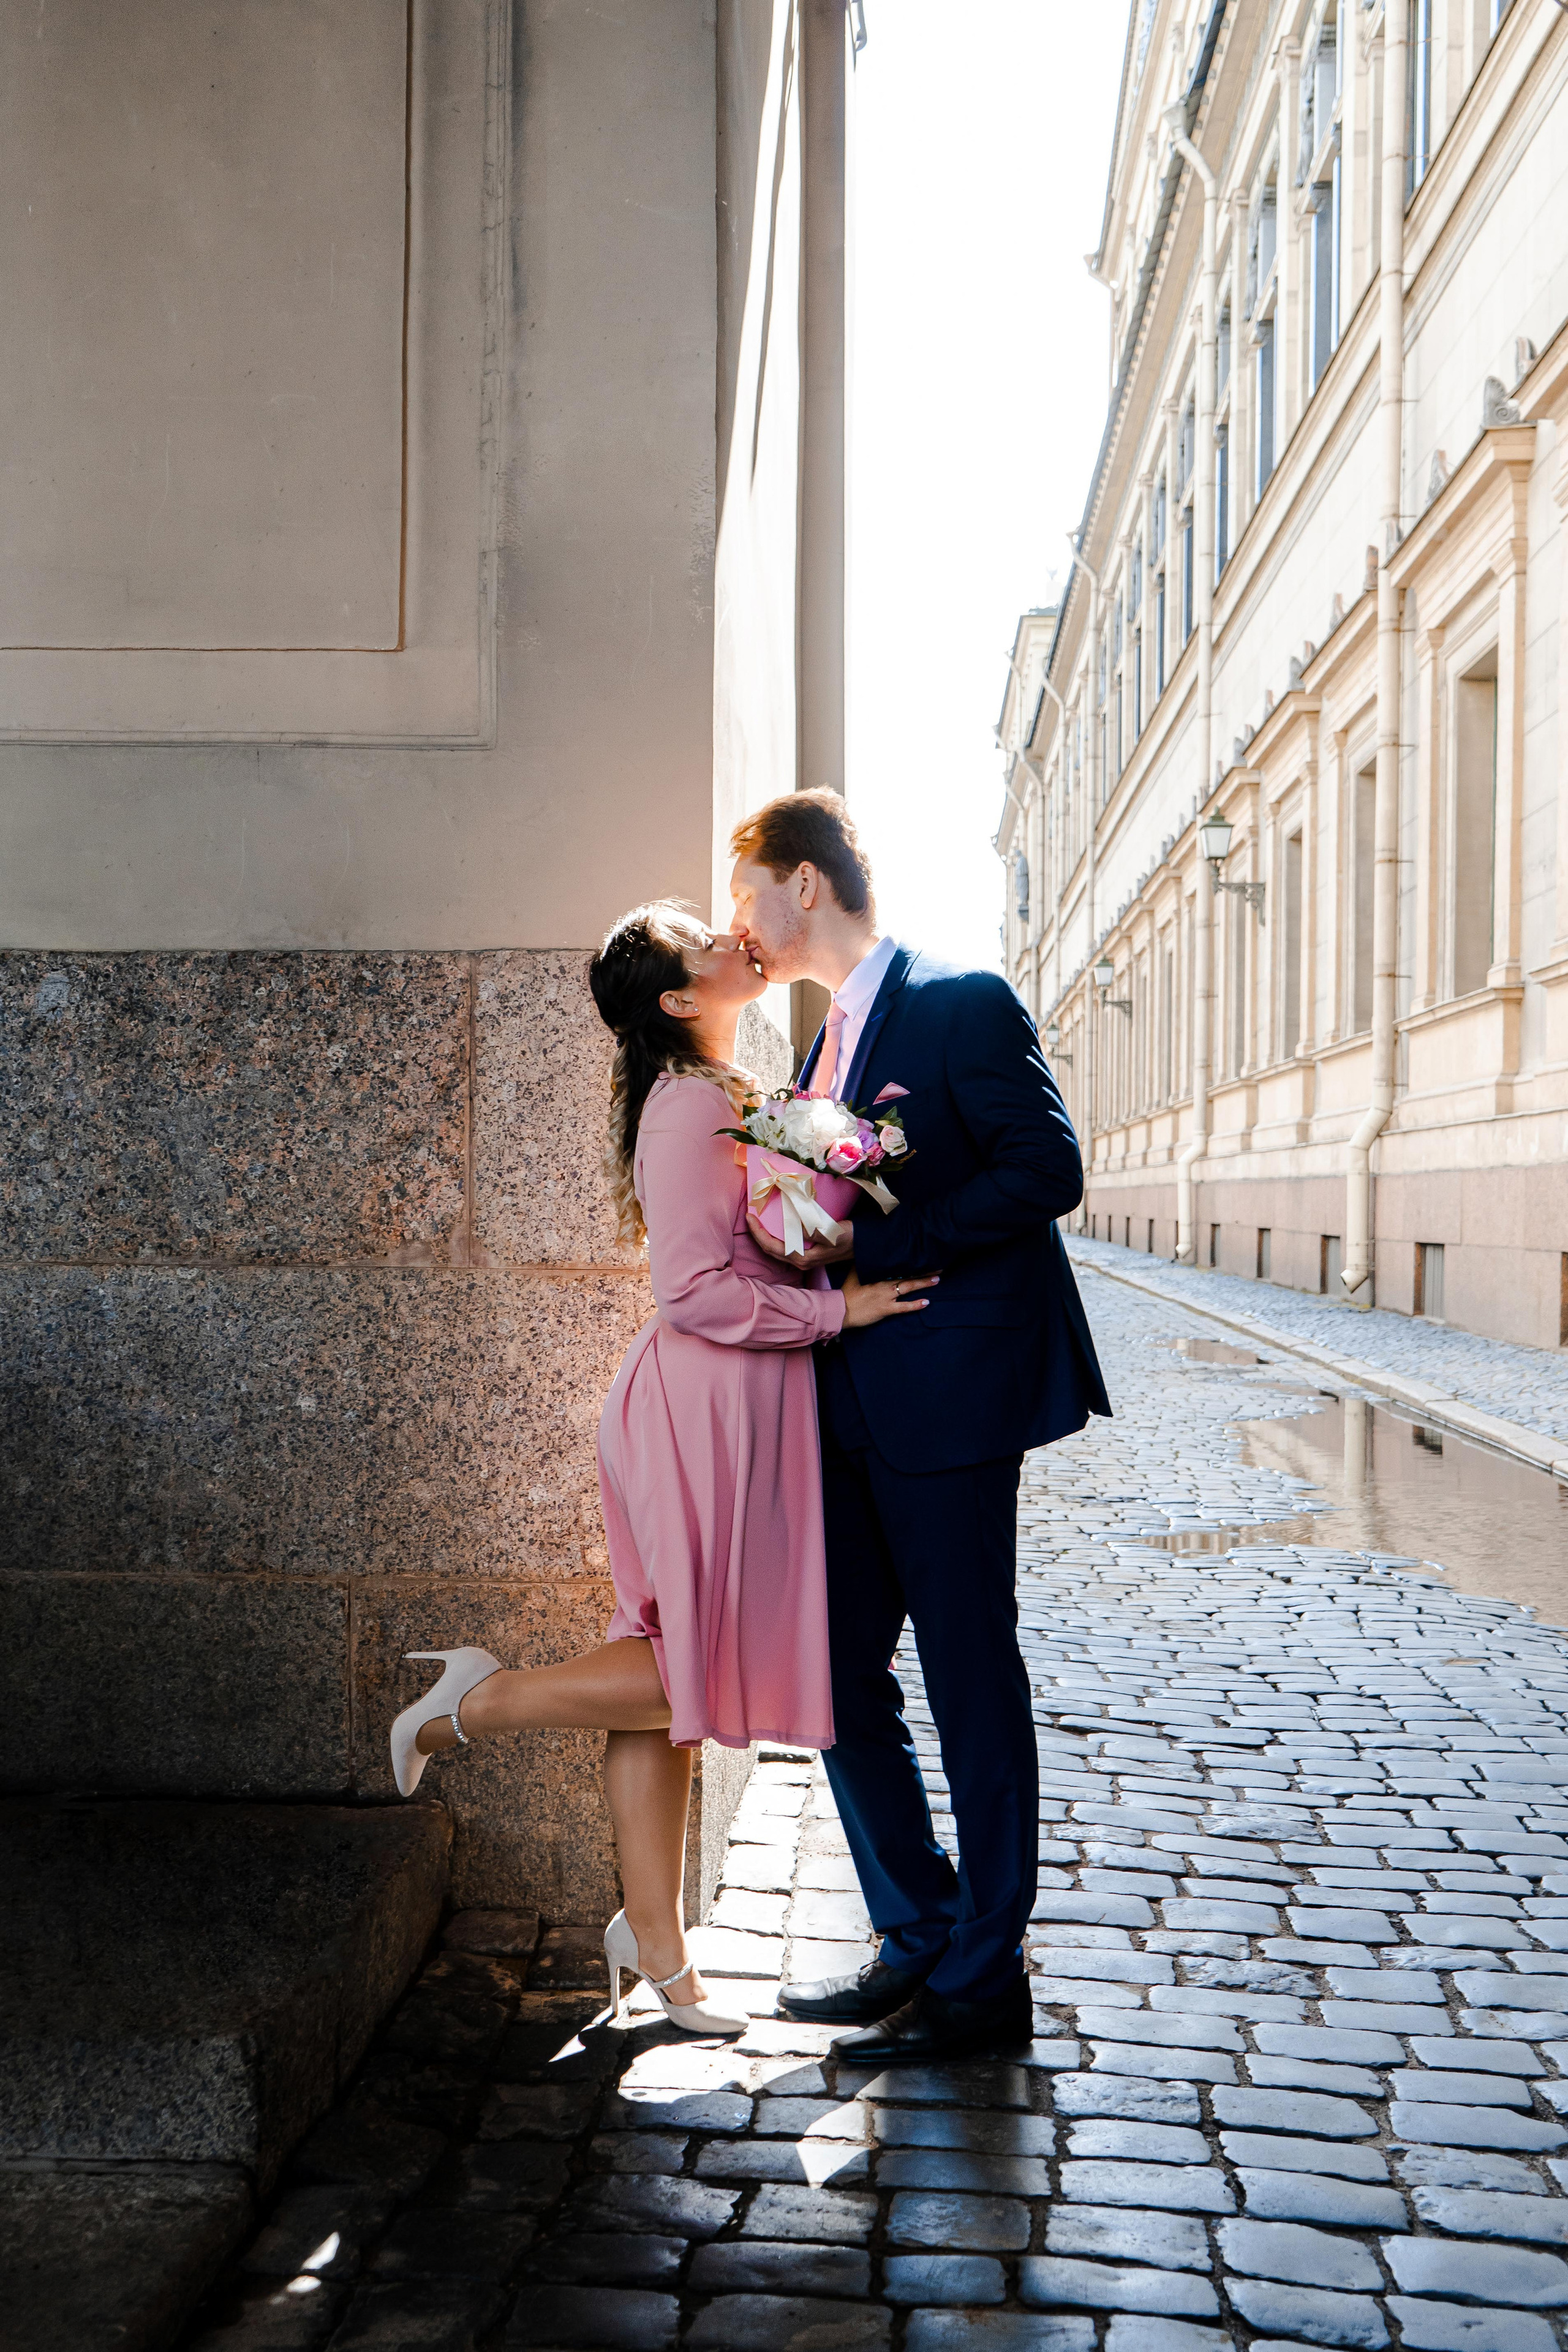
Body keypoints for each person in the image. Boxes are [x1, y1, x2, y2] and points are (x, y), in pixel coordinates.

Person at [388, 901, 932, 2035]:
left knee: (666, 1679)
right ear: (682, 1001)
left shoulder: (728, 1093)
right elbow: (689, 1292)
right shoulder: (690, 1104)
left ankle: (659, 1947)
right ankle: (471, 1703)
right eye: (702, 942)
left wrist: (830, 1208)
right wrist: (839, 1308)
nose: (732, 939)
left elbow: (764, 1235)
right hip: (703, 1409)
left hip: (734, 1403)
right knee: (696, 1665)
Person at [731, 790, 1111, 2065]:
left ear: (800, 883)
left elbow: (1045, 1170)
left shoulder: (960, 1000)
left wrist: (895, 1242)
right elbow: (817, 1195)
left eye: (747, 893)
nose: (741, 921)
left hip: (948, 1393)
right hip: (841, 1397)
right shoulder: (811, 1051)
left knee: (965, 1677)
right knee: (832, 1677)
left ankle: (981, 1977)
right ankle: (918, 1927)